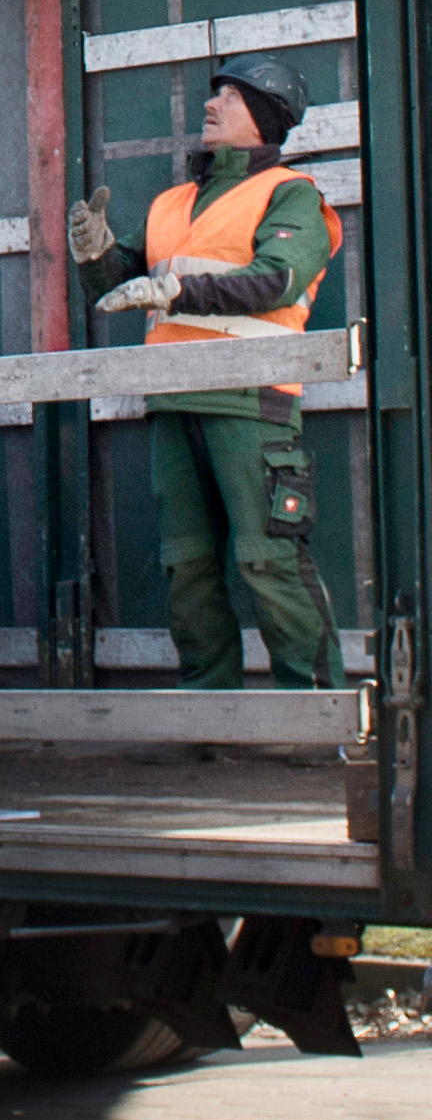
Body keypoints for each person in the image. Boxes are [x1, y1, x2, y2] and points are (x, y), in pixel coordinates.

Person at [69, 52, 343, 689]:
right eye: (214, 94)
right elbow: (127, 285)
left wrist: (173, 293)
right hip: (173, 402)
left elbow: (276, 280)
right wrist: (98, 256)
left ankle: (315, 714)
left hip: (251, 403)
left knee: (268, 559)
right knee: (187, 566)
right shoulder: (172, 204)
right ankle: (208, 711)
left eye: (230, 98)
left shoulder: (291, 195)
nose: (211, 105)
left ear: (267, 118)